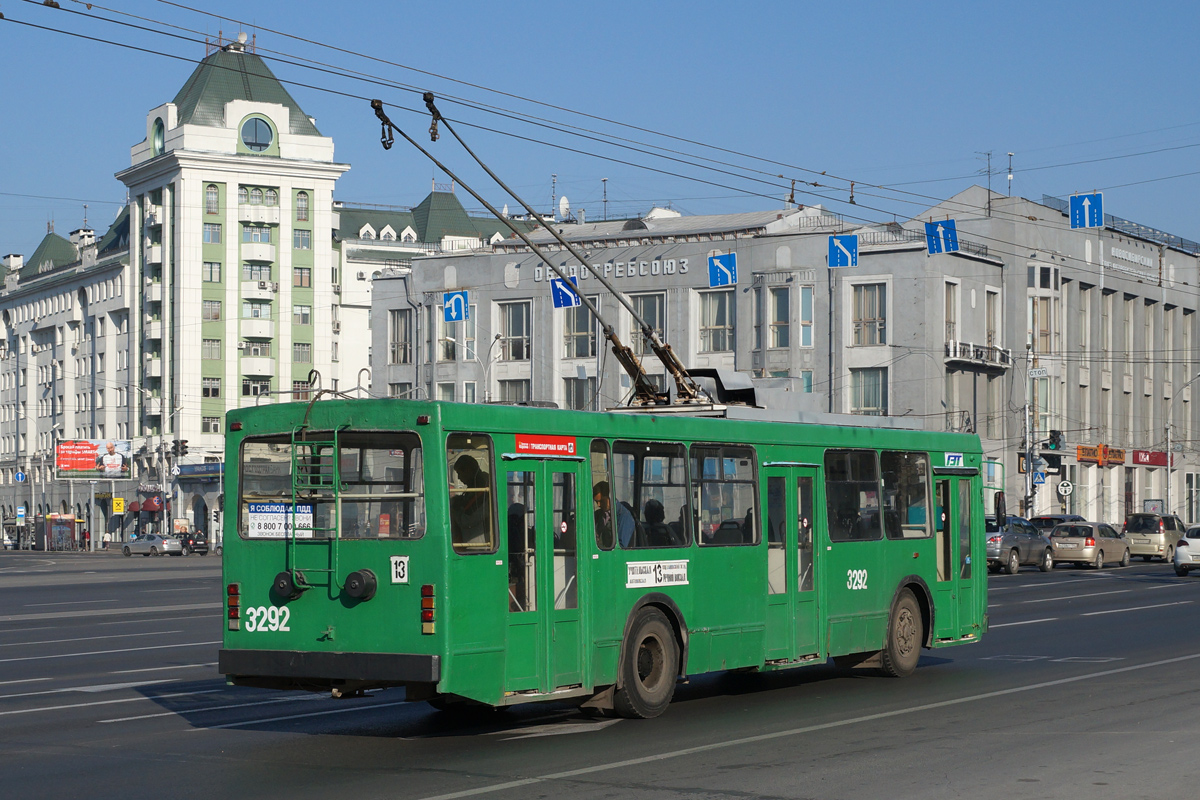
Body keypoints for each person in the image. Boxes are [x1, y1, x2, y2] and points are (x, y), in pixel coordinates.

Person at [450, 455, 491, 544]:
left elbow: (467, 520)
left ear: (469, 470)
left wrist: (454, 510)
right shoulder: (475, 486)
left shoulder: (483, 489)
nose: (459, 478)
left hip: (479, 543)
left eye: (460, 473)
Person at [593, 481, 634, 548]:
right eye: (596, 502)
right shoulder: (597, 515)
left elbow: (621, 548)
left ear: (610, 497)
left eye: (602, 501)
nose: (598, 505)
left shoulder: (624, 517)